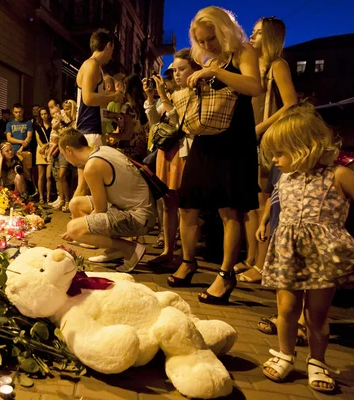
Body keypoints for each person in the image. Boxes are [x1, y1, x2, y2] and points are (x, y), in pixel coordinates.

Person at [257, 107, 354, 394]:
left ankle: (317, 360)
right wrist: (264, 221)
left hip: (322, 255)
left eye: (279, 153)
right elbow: (273, 201)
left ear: (304, 148)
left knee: (317, 315)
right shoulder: (286, 177)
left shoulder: (338, 174)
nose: (275, 160)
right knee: (286, 309)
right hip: (289, 250)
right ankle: (285, 354)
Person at [171, 6, 262, 304]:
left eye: (211, 38)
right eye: (202, 41)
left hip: (235, 139)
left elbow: (253, 86)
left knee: (229, 208)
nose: (207, 46)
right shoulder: (213, 59)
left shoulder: (243, 52)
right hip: (208, 137)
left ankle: (225, 276)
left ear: (223, 31)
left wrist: (214, 71)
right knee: (188, 202)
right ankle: (188, 261)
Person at [236, 16, 298, 283]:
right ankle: (251, 258)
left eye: (258, 33)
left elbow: (290, 104)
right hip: (249, 139)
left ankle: (261, 265)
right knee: (250, 203)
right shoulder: (252, 66)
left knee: (264, 204)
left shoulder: (277, 65)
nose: (252, 36)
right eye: (252, 31)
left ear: (271, 37)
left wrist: (261, 127)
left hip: (268, 141)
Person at [61, 128, 154, 272]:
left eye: (63, 154)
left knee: (74, 229)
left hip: (138, 218)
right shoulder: (102, 150)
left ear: (68, 150)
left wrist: (78, 230)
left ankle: (130, 249)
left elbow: (100, 209)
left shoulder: (92, 166)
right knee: (76, 204)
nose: (65, 159)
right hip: (134, 209)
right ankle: (114, 250)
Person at [147, 49, 201, 268]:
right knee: (168, 202)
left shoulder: (197, 93)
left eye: (182, 69)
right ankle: (168, 250)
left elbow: (180, 123)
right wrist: (153, 98)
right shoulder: (172, 96)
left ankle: (187, 257)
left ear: (195, 69)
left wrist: (162, 97)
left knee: (185, 206)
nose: (177, 75)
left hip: (184, 152)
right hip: (167, 150)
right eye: (174, 70)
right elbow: (154, 122)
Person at [75, 28, 124, 196]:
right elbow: (88, 98)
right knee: (88, 186)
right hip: (89, 131)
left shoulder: (92, 66)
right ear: (109, 46)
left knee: (84, 185)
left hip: (88, 130)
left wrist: (111, 97)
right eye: (113, 49)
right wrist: (113, 98)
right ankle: (76, 221)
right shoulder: (91, 65)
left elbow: (92, 97)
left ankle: (77, 220)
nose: (112, 55)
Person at [34, 107, 53, 204]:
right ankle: (41, 197)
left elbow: (54, 138)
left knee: (49, 176)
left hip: (50, 149)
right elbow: (38, 139)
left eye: (45, 113)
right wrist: (43, 147)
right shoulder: (38, 126)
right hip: (40, 151)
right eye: (42, 114)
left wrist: (47, 146)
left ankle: (48, 196)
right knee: (41, 175)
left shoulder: (53, 125)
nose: (44, 116)